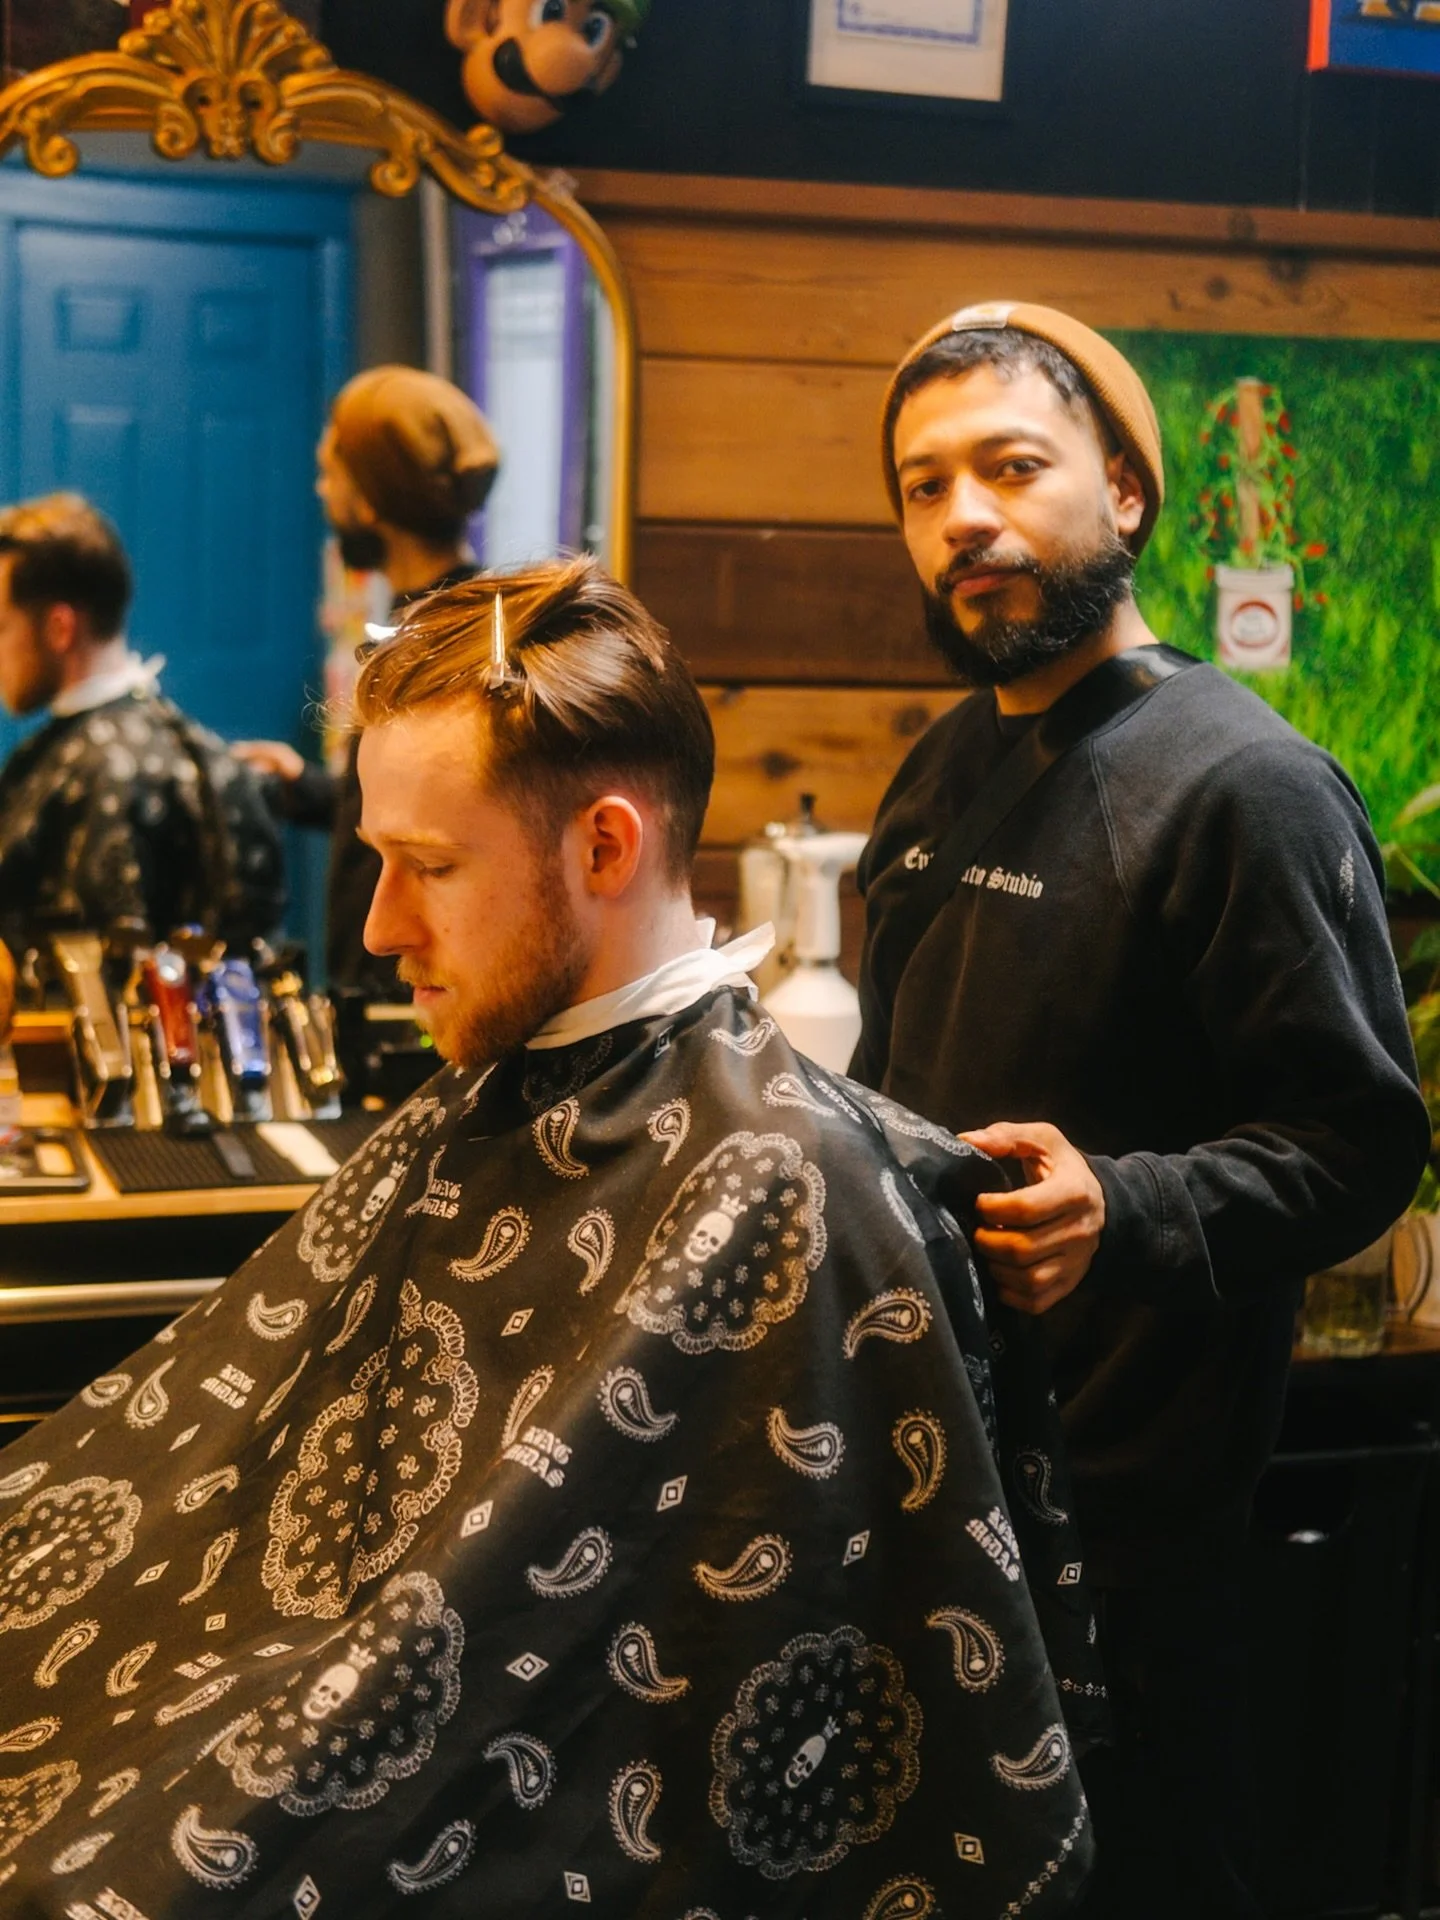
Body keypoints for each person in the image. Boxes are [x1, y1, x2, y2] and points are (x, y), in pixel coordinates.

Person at [0, 558, 1099, 1917]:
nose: (382, 927)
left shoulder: (785, 1183)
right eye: (379, 861)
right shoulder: (506, 1082)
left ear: (604, 847)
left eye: (431, 868)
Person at [851, 300, 1432, 1919]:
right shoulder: (940, 768)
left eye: (1011, 466)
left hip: (1136, 1547)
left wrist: (1130, 1211)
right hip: (933, 1494)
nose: (963, 516)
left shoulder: (1242, 783)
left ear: (1123, 490)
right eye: (922, 486)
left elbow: (1357, 1139)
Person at [236, 364, 498, 999]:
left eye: (331, 474)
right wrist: (310, 789)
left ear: (372, 500)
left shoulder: (453, 642)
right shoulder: (428, 621)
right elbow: (411, 801)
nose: (322, 493)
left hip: (411, 998)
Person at [0, 492, 283, 961]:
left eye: (2, 626)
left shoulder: (101, 775)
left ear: (59, 628)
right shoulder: (197, 750)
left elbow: (101, 979)